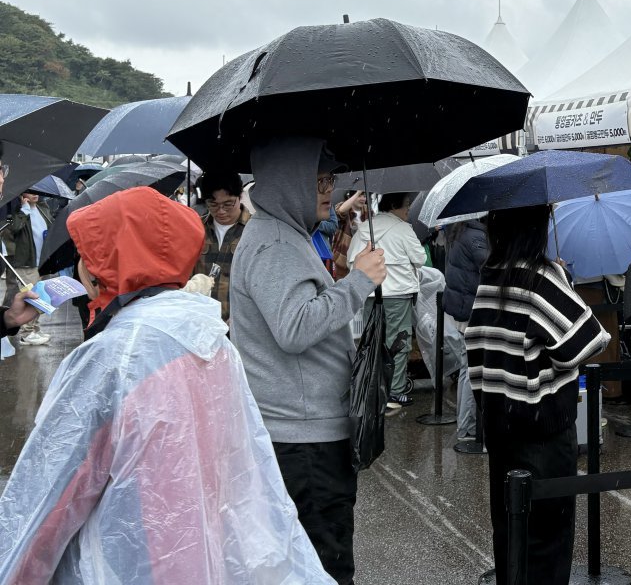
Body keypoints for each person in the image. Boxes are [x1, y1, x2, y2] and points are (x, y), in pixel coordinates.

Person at [0, 186, 335, 584]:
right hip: (207, 553)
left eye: (88, 255)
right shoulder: (210, 341)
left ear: (110, 263)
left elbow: (49, 498)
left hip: (130, 560)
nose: (81, 267)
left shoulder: (113, 358)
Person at [228, 137, 386, 585]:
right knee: (326, 564)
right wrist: (357, 283)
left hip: (305, 430)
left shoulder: (285, 234)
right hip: (304, 441)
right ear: (285, 182)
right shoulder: (275, 243)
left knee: (308, 562)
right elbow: (295, 328)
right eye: (317, 179)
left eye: (330, 179)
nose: (327, 190)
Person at [466, 204, 609, 585]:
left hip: (501, 432)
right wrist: (563, 280)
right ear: (535, 227)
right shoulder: (541, 278)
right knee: (548, 543)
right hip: (542, 438)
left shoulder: (490, 276)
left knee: (511, 535)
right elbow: (588, 340)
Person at [348, 191, 427, 410]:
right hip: (398, 294)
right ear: (394, 205)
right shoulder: (403, 229)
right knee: (398, 342)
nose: (408, 211)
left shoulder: (366, 228)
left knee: (372, 341)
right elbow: (420, 258)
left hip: (370, 292)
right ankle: (395, 391)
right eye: (407, 206)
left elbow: (351, 258)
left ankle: (372, 386)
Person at [443, 217, 489, 439]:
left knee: (465, 368)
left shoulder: (461, 231)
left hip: (461, 310)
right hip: (470, 310)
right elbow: (490, 265)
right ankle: (468, 427)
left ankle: (465, 425)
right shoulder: (476, 237)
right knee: (471, 371)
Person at [192, 168, 251, 322]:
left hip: (239, 327)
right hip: (200, 323)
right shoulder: (195, 229)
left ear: (240, 197)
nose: (221, 211)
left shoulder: (254, 231)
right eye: (213, 204)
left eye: (228, 204)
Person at [2, 191, 55, 346]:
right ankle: (27, 332)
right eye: (31, 191)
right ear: (22, 193)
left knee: (40, 296)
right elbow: (14, 230)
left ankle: (34, 328)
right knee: (31, 297)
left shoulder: (42, 207)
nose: (35, 195)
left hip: (42, 260)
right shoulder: (17, 212)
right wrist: (24, 210)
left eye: (37, 191)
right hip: (26, 262)